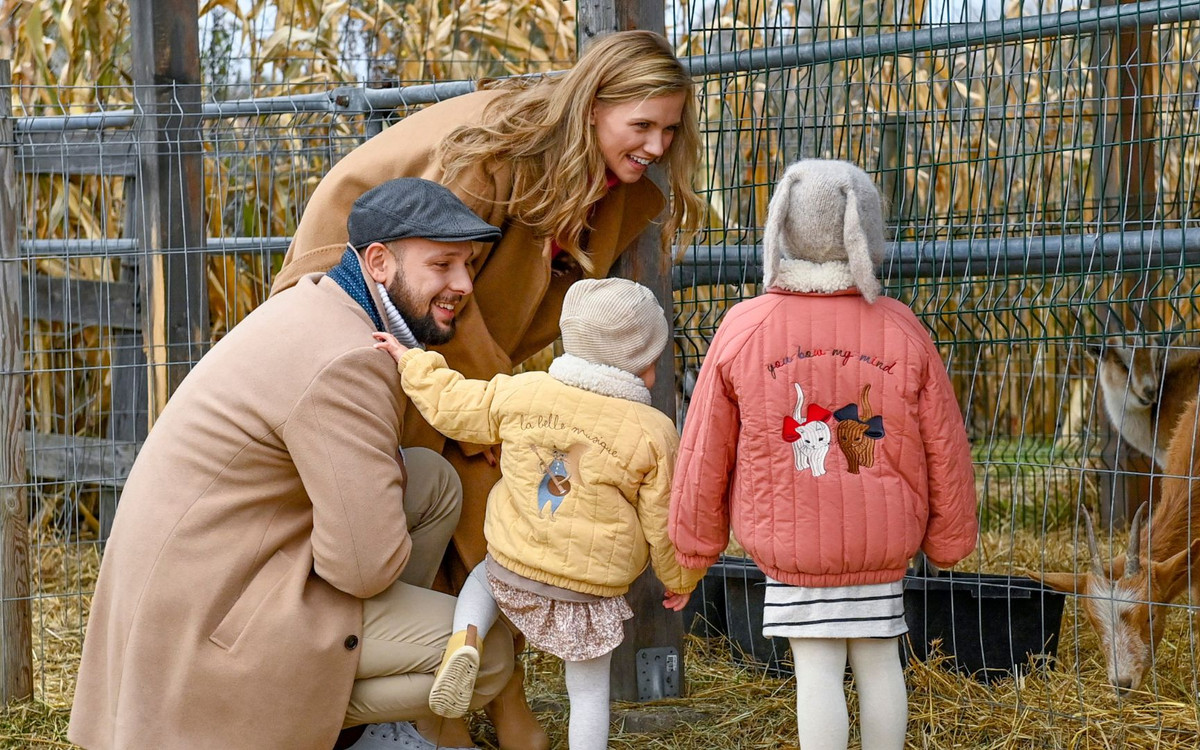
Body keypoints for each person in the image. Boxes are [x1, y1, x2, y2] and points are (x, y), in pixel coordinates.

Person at [270, 29, 705, 750]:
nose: (658, 145)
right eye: (643, 126)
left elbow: (539, 303)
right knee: (467, 484)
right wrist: (498, 417)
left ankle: (465, 715)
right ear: (594, 106)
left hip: (464, 338)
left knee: (495, 489)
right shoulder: (496, 153)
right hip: (383, 299)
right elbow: (441, 277)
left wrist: (510, 409)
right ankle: (478, 719)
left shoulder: (609, 183)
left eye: (670, 129)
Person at [68, 178, 516, 750]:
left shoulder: (322, 302)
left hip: (200, 581)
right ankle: (288, 722)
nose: (463, 284)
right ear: (378, 262)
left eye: (469, 265)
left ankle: (362, 717)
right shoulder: (347, 359)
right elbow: (363, 570)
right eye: (443, 265)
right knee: (488, 653)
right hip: (209, 626)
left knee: (431, 483)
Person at [669, 160, 979, 750]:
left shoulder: (745, 327)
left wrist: (692, 546)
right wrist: (950, 538)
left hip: (793, 542)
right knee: (881, 662)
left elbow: (704, 446)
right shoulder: (901, 328)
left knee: (815, 672)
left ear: (781, 229)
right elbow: (946, 442)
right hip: (881, 541)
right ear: (867, 230)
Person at [372, 278, 703, 750]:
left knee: (481, 581)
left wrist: (412, 361)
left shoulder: (524, 392)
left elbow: (454, 405)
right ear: (644, 363)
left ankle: (465, 640)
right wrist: (681, 577)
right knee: (588, 692)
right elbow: (664, 520)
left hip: (514, 566)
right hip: (587, 591)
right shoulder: (653, 432)